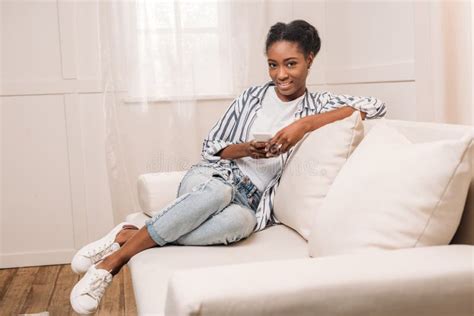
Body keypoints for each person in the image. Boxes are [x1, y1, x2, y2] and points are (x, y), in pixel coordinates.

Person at [70, 19, 386, 314]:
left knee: (240, 225)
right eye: (273, 65)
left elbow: (376, 106)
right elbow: (211, 146)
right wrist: (246, 149)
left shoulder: (318, 105)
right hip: (213, 177)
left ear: (310, 59)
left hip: (249, 202)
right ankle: (110, 264)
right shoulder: (251, 97)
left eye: (291, 64)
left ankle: (130, 235)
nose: (281, 75)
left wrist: (303, 125)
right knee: (220, 191)